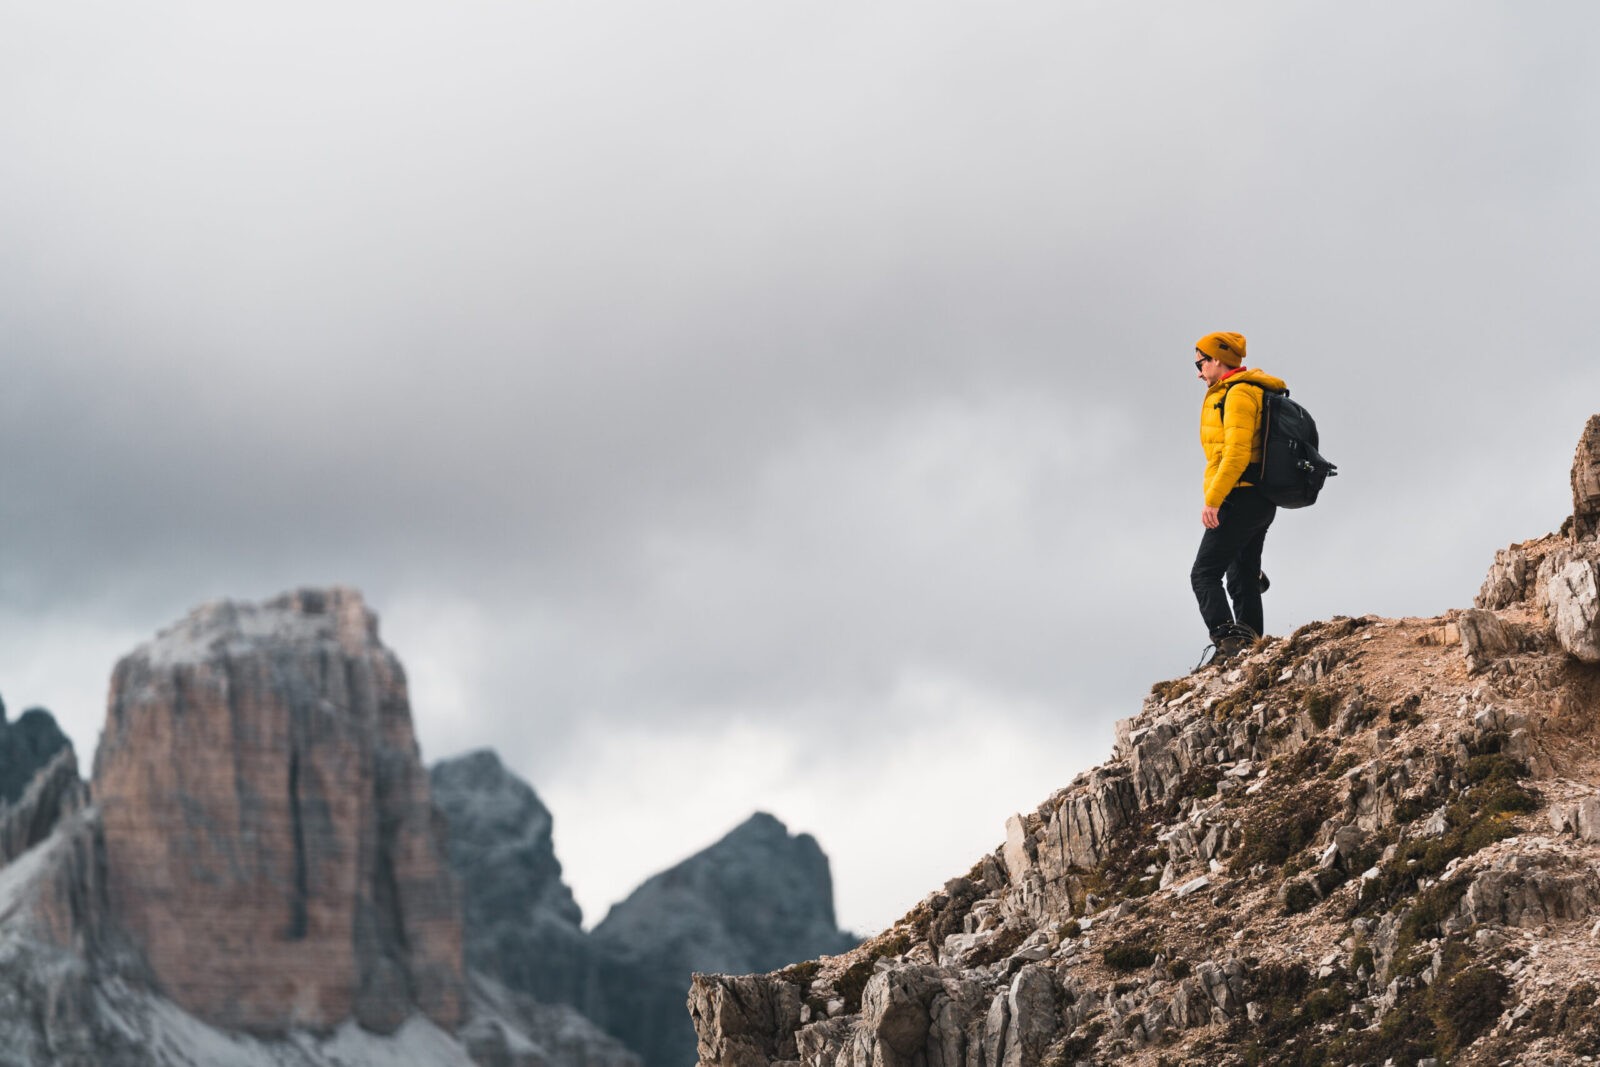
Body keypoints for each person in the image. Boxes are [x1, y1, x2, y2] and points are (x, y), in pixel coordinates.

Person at [1190, 331, 1288, 665]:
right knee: (1243, 573)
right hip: (1259, 499)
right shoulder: (1245, 391)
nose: (1199, 371)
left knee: (1204, 573)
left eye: (1200, 363)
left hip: (1240, 496)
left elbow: (1236, 454)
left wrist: (1214, 499)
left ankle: (1228, 642)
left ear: (1218, 359)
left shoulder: (1238, 395)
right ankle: (1250, 648)